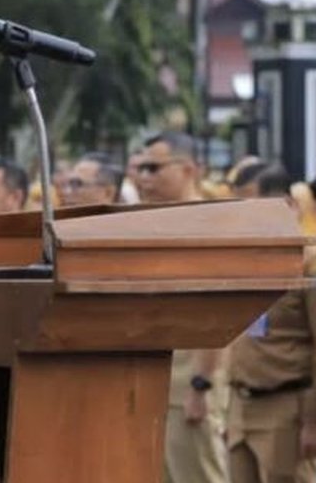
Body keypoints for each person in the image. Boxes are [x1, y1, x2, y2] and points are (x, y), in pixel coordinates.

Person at [224, 163, 316, 483]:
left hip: (287, 407)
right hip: (242, 405)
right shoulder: (244, 260)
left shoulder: (314, 266)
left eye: (250, 206)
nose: (242, 217)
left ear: (288, 205)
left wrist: (313, 422)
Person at [136, 131, 228, 483]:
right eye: (141, 168)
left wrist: (202, 386)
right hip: (152, 380)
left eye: (154, 168)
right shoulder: (150, 223)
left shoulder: (211, 226)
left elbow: (218, 312)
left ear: (188, 169)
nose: (144, 178)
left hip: (189, 385)